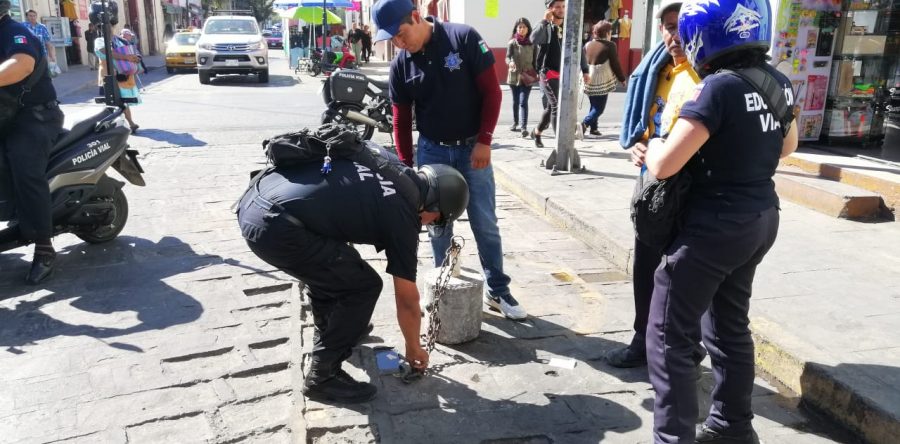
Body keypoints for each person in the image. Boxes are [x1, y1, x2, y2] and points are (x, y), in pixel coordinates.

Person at [643, 0, 799, 441]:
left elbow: (665, 165)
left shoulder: (716, 88)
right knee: (729, 326)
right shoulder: (777, 81)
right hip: (760, 218)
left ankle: (673, 437)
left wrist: (651, 148)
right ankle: (733, 426)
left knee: (668, 336)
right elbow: (788, 146)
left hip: (714, 227)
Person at [236, 139, 469, 404]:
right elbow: (406, 299)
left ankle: (335, 329)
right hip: (275, 228)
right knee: (363, 286)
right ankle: (323, 376)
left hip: (257, 198)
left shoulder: (391, 163)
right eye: (436, 220)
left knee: (335, 270)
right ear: (434, 207)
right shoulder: (404, 213)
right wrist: (413, 348)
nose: (429, 225)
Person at [374, 0, 527, 320]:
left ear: (416, 17)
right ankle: (443, 286)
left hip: (473, 151)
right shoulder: (401, 65)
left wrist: (485, 141)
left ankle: (498, 289)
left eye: (401, 34)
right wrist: (406, 167)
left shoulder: (463, 37)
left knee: (485, 222)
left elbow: (492, 92)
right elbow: (401, 119)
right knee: (437, 225)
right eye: (392, 39)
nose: (399, 43)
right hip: (433, 152)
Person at [610, 0, 701, 369]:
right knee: (646, 266)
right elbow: (646, 126)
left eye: (681, 26)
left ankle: (685, 345)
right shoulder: (656, 69)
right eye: (668, 27)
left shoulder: (705, 75)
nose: (674, 35)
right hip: (652, 187)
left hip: (691, 188)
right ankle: (642, 339)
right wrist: (638, 145)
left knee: (684, 273)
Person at [0, 0, 65, 284]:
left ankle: (43, 247)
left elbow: (22, 64)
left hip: (34, 117)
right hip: (6, 116)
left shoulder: (15, 32)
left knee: (25, 168)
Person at [529, 0, 565, 148]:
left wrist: (585, 69)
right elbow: (533, 39)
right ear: (550, 9)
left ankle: (537, 132)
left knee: (550, 108)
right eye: (558, 7)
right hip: (547, 73)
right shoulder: (545, 26)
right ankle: (560, 144)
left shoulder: (568, 26)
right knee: (557, 105)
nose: (561, 9)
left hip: (563, 73)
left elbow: (578, 47)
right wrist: (544, 21)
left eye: (563, 6)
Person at [580, 20, 625, 137]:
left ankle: (594, 128)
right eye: (610, 32)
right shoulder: (610, 45)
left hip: (588, 78)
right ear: (607, 33)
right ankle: (584, 124)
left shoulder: (588, 44)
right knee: (599, 108)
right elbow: (615, 64)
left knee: (594, 104)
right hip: (601, 79)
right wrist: (622, 78)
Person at [94, 27, 141, 133]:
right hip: (107, 76)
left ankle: (130, 123)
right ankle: (114, 125)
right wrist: (126, 57)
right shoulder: (99, 41)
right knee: (110, 102)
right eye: (106, 28)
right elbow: (105, 51)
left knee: (122, 101)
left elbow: (131, 50)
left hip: (122, 75)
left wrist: (136, 57)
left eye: (110, 28)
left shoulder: (118, 40)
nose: (109, 30)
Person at [505, 17, 535, 138]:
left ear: (528, 29)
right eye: (519, 27)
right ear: (516, 29)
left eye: (524, 27)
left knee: (523, 102)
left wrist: (537, 72)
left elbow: (536, 61)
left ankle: (523, 128)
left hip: (528, 76)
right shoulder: (512, 43)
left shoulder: (532, 43)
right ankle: (515, 122)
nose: (522, 29)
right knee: (516, 101)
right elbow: (507, 57)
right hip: (514, 75)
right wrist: (510, 62)